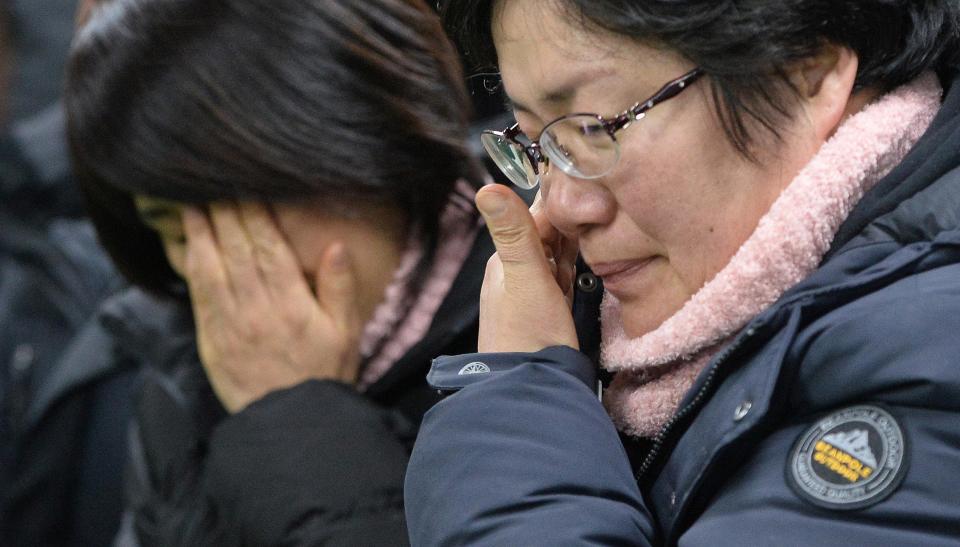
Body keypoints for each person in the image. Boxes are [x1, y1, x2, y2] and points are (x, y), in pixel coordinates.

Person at [404, 0, 960, 544]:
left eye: (597, 129)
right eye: (540, 145)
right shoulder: (613, 333)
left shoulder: (930, 357)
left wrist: (516, 405)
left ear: (804, 73)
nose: (566, 206)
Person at [65, 0, 491, 544]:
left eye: (249, 220)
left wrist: (297, 418)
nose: (212, 266)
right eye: (171, 229)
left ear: (368, 145)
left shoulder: (552, 332)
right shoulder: (176, 379)